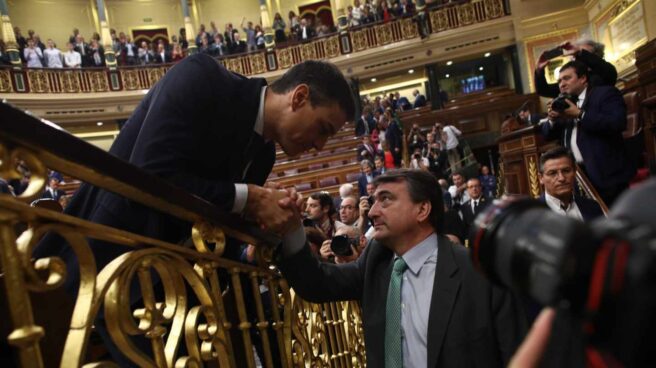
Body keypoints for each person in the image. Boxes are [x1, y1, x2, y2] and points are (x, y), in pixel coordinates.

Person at [34, 54, 355, 363]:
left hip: (173, 295)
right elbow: (151, 174)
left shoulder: (264, 155)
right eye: (323, 129)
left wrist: (258, 232)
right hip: (103, 266)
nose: (319, 146)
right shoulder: (201, 77)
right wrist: (251, 199)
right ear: (299, 97)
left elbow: (216, 223)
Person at [277, 169, 526, 367]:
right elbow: (317, 284)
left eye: (385, 199)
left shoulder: (479, 271)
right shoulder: (378, 259)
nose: (373, 212)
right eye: (374, 201)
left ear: (422, 209)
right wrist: (290, 230)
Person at [542, 60, 634, 206]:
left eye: (567, 78)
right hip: (577, 176)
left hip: (606, 174)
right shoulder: (564, 102)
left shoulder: (605, 94)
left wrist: (579, 114)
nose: (562, 84)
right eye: (559, 81)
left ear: (583, 78)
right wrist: (552, 119)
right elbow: (547, 134)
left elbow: (617, 123)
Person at [535, 38, 617, 99]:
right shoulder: (572, 80)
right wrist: (539, 71)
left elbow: (609, 71)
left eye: (582, 53)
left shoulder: (603, 74)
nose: (577, 57)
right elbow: (544, 90)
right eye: (575, 55)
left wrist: (580, 52)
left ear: (596, 56)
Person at [538, 147, 603, 221]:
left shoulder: (592, 207)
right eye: (552, 173)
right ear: (541, 178)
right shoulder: (531, 213)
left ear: (575, 172)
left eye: (566, 171)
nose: (561, 178)